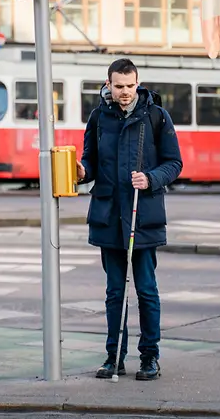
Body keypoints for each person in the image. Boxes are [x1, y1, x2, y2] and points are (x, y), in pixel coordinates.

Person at [76, 58, 182, 382]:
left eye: (130, 86)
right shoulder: (98, 118)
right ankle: (114, 358)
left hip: (142, 216)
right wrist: (82, 172)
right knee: (114, 293)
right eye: (119, 86)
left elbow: (174, 163)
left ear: (138, 83)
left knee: (147, 291)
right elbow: (90, 162)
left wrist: (150, 179)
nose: (125, 92)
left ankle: (150, 357)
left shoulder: (155, 116)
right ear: (108, 84)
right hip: (109, 218)